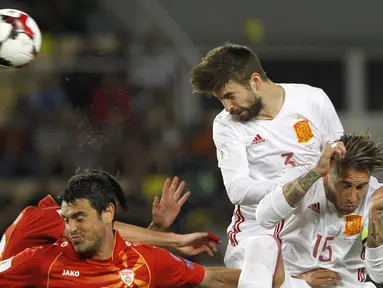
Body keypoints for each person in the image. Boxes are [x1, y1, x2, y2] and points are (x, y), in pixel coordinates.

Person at [190, 42, 344, 269]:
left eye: (230, 95)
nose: (228, 106)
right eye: (221, 99)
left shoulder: (313, 100)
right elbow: (236, 189)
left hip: (311, 226)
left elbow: (341, 164)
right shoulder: (226, 124)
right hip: (257, 229)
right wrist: (295, 184)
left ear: (255, 81)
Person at [0, 169, 240, 287]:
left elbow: (211, 277)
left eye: (79, 217)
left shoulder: (145, 261)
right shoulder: (42, 259)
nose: (71, 227)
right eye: (67, 218)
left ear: (107, 212)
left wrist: (273, 280)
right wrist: (175, 239)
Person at [249, 133, 383, 287]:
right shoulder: (302, 178)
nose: (353, 198)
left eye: (360, 187)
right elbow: (264, 218)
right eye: (345, 185)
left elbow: (378, 275)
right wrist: (316, 171)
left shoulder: (375, 198)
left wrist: (375, 214)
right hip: (292, 280)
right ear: (327, 175)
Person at [0, 171, 219, 261]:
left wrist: (157, 228)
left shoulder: (53, 234)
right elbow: (105, 230)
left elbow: (122, 256)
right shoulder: (43, 218)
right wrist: (176, 239)